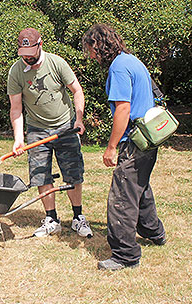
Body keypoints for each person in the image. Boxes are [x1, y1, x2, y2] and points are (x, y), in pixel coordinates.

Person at [82, 24, 167, 271]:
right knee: (139, 188)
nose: (92, 56)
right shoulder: (131, 60)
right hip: (150, 139)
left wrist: (111, 147)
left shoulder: (118, 68)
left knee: (122, 197)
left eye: (92, 50)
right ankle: (155, 232)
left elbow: (123, 109)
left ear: (100, 46)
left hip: (135, 141)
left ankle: (125, 256)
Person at [7, 28, 93, 238]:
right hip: (37, 130)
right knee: (40, 174)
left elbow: (77, 91)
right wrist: (19, 138)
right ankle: (51, 219)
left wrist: (79, 120)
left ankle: (78, 218)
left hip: (65, 127)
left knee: (73, 173)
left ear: (40, 44)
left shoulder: (57, 63)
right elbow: (16, 108)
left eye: (30, 51)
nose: (27, 57)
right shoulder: (16, 71)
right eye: (23, 53)